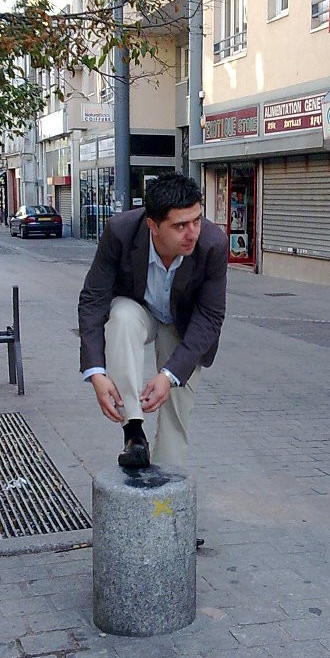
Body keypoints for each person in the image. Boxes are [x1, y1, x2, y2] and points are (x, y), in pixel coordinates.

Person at [78, 173, 228, 471]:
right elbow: (93, 299)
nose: (192, 233)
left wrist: (169, 375)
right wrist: (96, 373)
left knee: (177, 402)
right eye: (179, 225)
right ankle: (133, 432)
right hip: (140, 310)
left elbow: (210, 316)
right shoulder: (120, 232)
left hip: (183, 324)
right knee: (120, 317)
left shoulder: (213, 244)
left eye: (197, 220)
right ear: (153, 226)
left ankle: (165, 481)